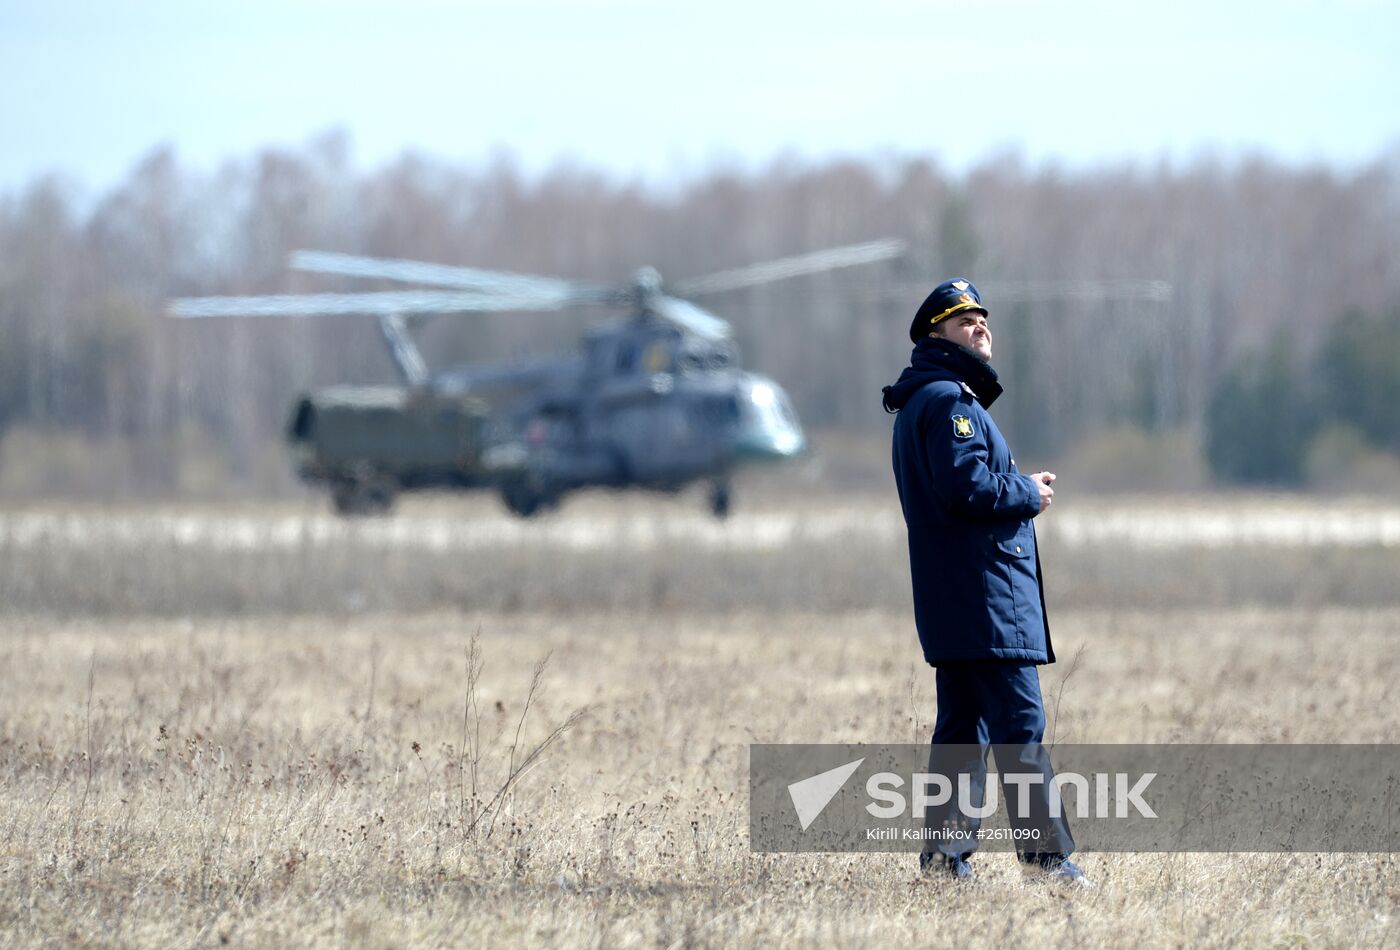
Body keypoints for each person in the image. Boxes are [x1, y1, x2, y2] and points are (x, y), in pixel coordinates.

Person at [881, 278, 1090, 886]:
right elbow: (968, 487)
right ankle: (1048, 861)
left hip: (959, 605)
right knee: (1019, 728)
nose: (979, 326)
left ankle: (944, 862)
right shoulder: (950, 402)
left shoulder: (928, 400)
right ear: (934, 336)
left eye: (982, 318)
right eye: (962, 320)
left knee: (961, 737)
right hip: (986, 603)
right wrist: (1029, 491)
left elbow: (960, 486)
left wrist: (1016, 483)